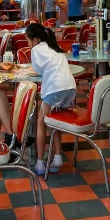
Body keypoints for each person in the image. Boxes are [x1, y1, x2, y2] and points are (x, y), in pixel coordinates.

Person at [25, 24, 77, 175]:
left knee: (41, 121)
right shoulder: (54, 47)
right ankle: (58, 157)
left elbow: (37, 70)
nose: (28, 44)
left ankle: (40, 163)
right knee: (54, 119)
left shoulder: (36, 49)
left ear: (35, 40)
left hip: (55, 87)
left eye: (28, 41)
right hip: (70, 87)